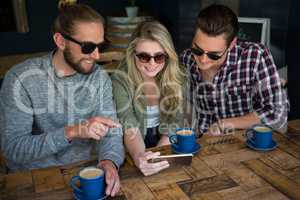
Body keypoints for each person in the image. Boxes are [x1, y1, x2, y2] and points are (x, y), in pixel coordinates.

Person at [0, 4, 124, 197]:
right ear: (60, 40)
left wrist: (109, 162)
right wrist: (73, 131)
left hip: (88, 175)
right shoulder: (21, 79)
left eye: (101, 46)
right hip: (37, 179)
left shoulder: (99, 77)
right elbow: (14, 149)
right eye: (88, 47)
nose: (97, 56)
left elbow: (112, 132)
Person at [180, 4, 289, 136]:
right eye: (197, 50)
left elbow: (278, 115)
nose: (203, 59)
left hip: (246, 141)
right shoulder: (186, 59)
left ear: (231, 44)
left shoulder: (255, 56)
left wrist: (223, 125)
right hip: (202, 142)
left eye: (214, 55)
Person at [111, 21, 187, 176]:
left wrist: (158, 154)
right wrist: (140, 157)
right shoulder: (120, 79)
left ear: (167, 55)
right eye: (144, 57)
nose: (152, 64)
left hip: (167, 144)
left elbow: (176, 122)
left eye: (159, 57)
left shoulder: (179, 75)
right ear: (133, 54)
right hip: (132, 150)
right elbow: (129, 125)